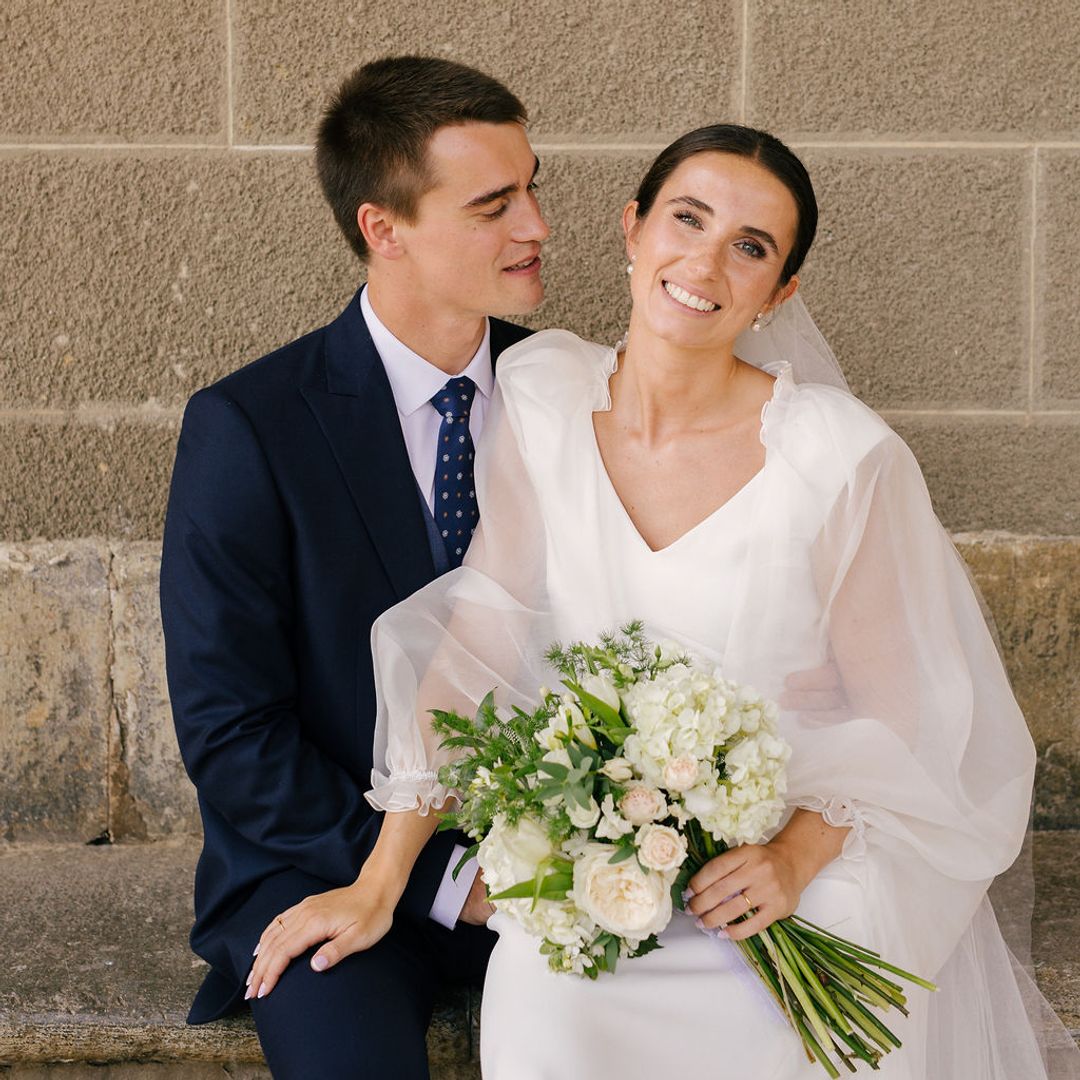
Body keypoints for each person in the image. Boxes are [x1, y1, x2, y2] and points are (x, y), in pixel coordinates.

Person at [247, 123, 1080, 1078]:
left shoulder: (840, 457)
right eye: (688, 219)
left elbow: (905, 717)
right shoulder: (545, 401)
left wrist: (794, 860)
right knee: (549, 1002)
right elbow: (471, 648)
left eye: (752, 248)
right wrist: (382, 878)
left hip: (781, 880)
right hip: (599, 876)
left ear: (781, 292)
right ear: (634, 229)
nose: (707, 261)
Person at [159, 56, 548, 1079]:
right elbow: (231, 731)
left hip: (562, 862)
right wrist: (441, 879)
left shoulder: (568, 391)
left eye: (534, 188)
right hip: (322, 874)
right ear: (385, 228)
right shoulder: (250, 427)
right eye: (494, 204)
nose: (537, 227)